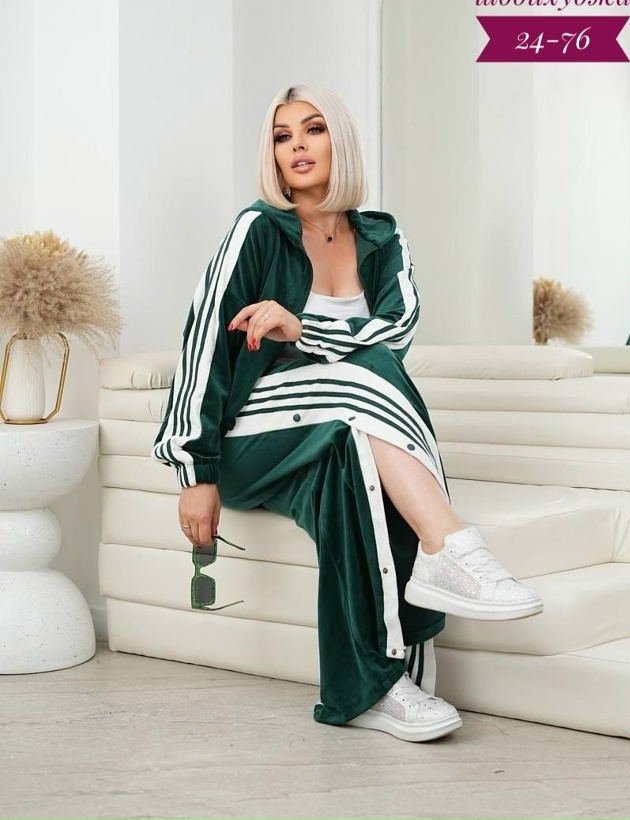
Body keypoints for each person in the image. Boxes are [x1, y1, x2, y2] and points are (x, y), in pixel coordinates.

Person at [152, 84, 543, 743]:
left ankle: (376, 687)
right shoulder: (258, 230)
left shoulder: (382, 238)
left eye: (314, 129)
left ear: (342, 141)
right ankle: (453, 548)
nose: (298, 146)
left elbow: (397, 332)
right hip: (252, 438)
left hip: (334, 426)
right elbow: (204, 345)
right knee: (364, 377)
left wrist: (300, 329)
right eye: (283, 136)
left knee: (354, 471)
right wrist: (196, 471)